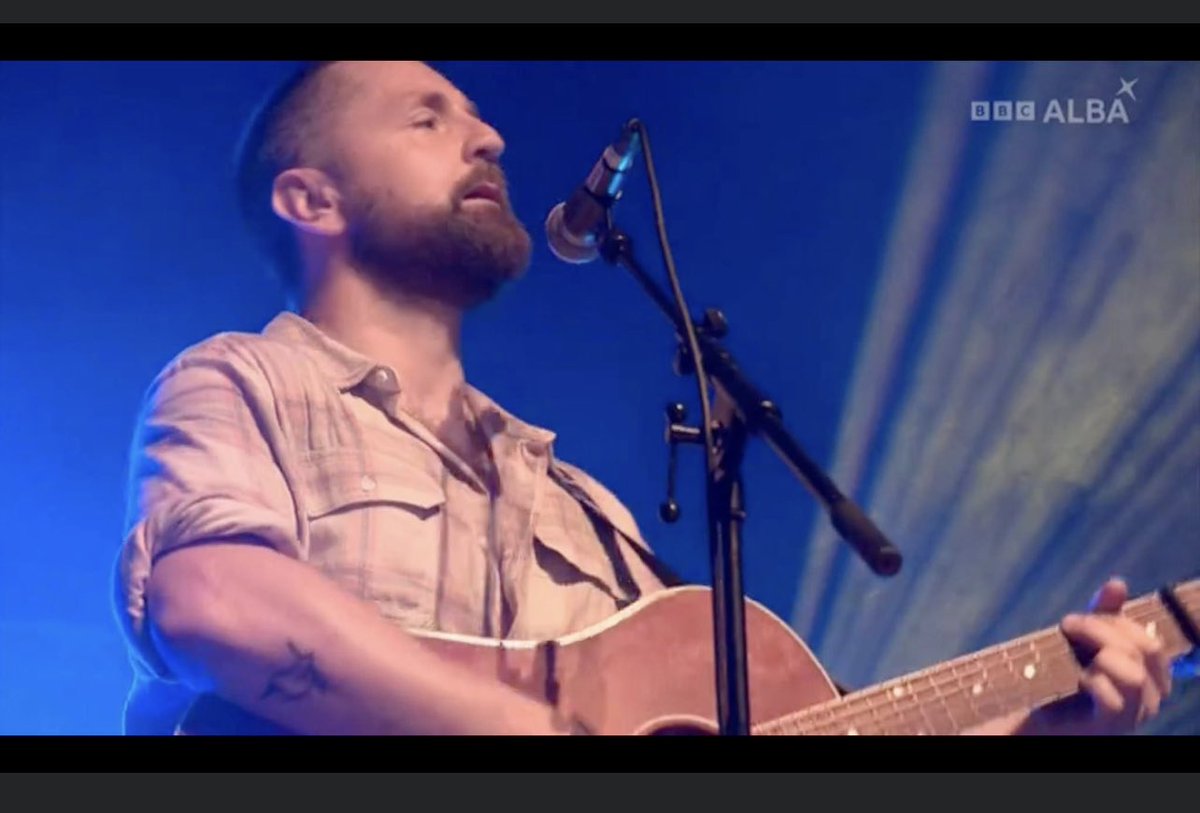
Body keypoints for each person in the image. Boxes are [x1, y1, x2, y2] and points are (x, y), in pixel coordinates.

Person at [112, 61, 1173, 736]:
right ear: (311, 197)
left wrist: (1043, 724)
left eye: (479, 120)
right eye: (427, 120)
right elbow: (214, 605)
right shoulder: (245, 380)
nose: (490, 140)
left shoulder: (587, 511)